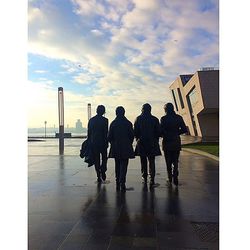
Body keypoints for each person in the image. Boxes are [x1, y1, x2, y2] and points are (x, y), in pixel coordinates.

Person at [134, 103, 161, 187]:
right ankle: (152, 178)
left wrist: (137, 138)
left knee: (143, 161)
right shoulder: (155, 119)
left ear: (143, 109)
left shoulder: (138, 119)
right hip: (152, 142)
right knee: (151, 161)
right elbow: (159, 132)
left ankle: (144, 176)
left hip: (141, 142)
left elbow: (135, 132)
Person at [108, 106, 134, 192]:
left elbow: (109, 137)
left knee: (117, 164)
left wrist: (113, 143)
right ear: (124, 113)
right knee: (124, 165)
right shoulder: (128, 123)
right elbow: (131, 136)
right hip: (126, 146)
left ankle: (117, 181)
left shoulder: (113, 123)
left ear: (116, 113)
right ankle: (122, 181)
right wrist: (128, 143)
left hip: (116, 147)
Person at [160, 103, 187, 186]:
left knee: (168, 161)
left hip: (167, 141)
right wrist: (176, 133)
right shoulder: (178, 118)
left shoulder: (163, 118)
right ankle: (175, 174)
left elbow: (160, 131)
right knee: (175, 160)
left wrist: (165, 134)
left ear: (166, 109)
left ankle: (170, 177)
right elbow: (184, 129)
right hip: (176, 141)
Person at [87, 105, 108, 183]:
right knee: (104, 158)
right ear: (103, 111)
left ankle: (98, 175)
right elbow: (106, 132)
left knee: (96, 159)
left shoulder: (91, 120)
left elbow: (89, 132)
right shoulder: (105, 120)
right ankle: (103, 170)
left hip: (94, 142)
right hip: (103, 142)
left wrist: (89, 141)